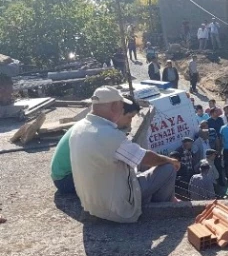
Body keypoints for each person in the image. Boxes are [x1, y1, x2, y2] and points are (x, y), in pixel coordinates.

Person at [69, 86, 180, 223]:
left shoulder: (78, 128)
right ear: (114, 106)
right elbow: (146, 158)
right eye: (122, 106)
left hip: (93, 205)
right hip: (117, 208)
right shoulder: (108, 135)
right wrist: (171, 160)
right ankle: (158, 216)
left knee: (140, 172)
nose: (122, 110)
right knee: (169, 168)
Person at [50, 97, 141, 195]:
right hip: (66, 180)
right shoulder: (101, 130)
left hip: (63, 176)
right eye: (129, 117)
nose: (130, 122)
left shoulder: (96, 122)